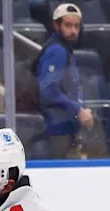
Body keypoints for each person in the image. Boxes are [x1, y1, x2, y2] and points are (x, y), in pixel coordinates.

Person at [35, 3, 94, 158]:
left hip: (65, 127)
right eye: (68, 25)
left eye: (76, 26)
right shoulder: (57, 51)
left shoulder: (65, 50)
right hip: (57, 129)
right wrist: (78, 110)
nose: (73, 31)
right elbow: (48, 90)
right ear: (56, 25)